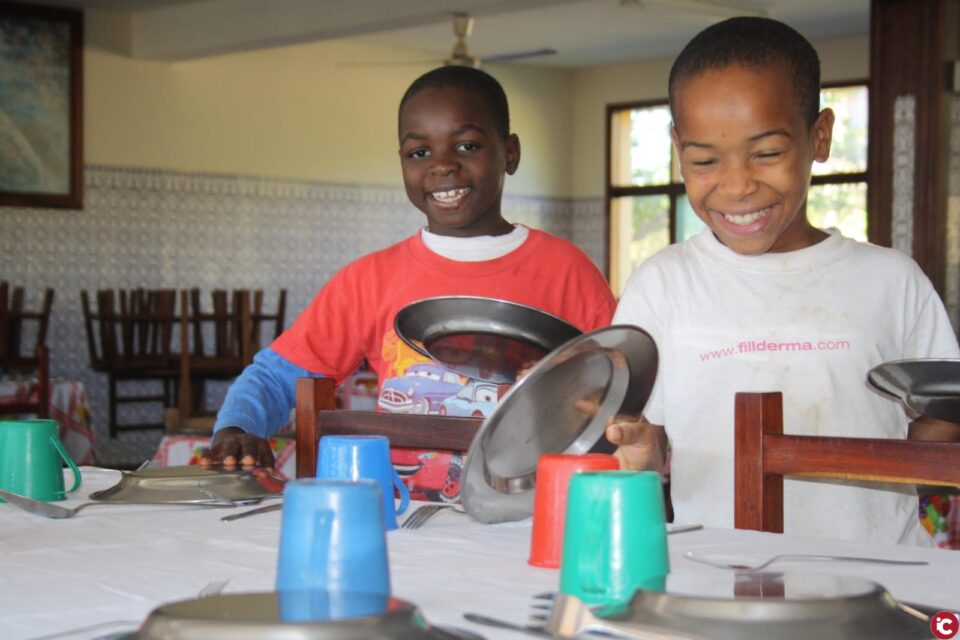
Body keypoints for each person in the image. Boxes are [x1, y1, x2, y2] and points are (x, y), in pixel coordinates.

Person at [607, 16, 960, 544]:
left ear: (819, 137)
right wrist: (638, 456)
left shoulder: (890, 280)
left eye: (767, 153)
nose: (737, 185)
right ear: (678, 148)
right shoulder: (662, 285)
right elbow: (645, 444)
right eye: (704, 159)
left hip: (873, 579)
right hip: (719, 578)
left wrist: (918, 459)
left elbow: (942, 415)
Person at [202, 66, 617, 496]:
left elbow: (620, 386)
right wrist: (239, 425)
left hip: (526, 517)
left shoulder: (566, 270)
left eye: (467, 145)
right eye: (419, 153)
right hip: (403, 518)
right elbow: (276, 376)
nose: (442, 166)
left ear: (509, 153)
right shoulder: (368, 280)